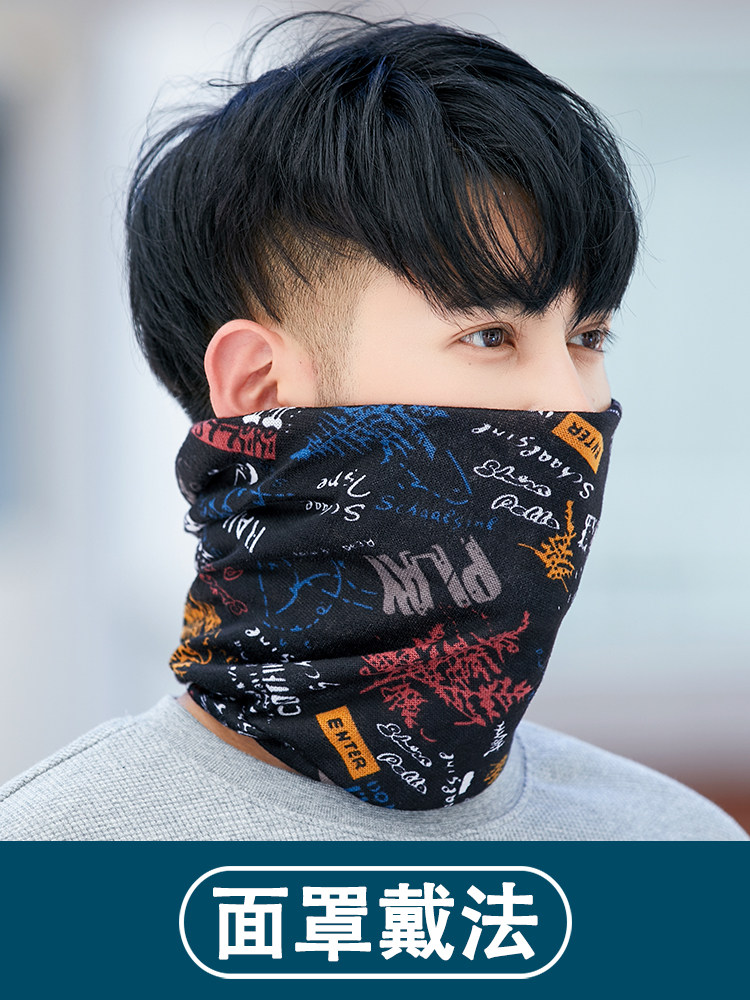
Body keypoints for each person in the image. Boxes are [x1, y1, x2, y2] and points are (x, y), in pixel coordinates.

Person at [0, 11, 745, 841]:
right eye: (489, 336)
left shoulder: (678, 852)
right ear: (259, 385)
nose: (568, 402)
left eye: (588, 339)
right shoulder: (54, 861)